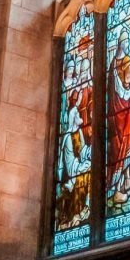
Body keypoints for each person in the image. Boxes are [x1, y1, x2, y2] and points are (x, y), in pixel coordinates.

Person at [107, 30, 130, 205]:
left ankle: (126, 180)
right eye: (126, 42)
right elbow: (127, 82)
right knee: (121, 147)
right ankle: (117, 190)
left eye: (128, 42)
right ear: (121, 44)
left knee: (124, 146)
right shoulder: (122, 62)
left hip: (121, 111)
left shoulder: (115, 63)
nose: (127, 45)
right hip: (121, 111)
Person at [57, 91, 92, 229]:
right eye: (77, 115)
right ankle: (76, 213)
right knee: (86, 174)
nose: (79, 116)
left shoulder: (79, 132)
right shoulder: (67, 139)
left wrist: (90, 151)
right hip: (71, 175)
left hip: (79, 167)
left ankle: (87, 208)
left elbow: (82, 150)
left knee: (90, 171)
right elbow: (70, 164)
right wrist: (83, 166)